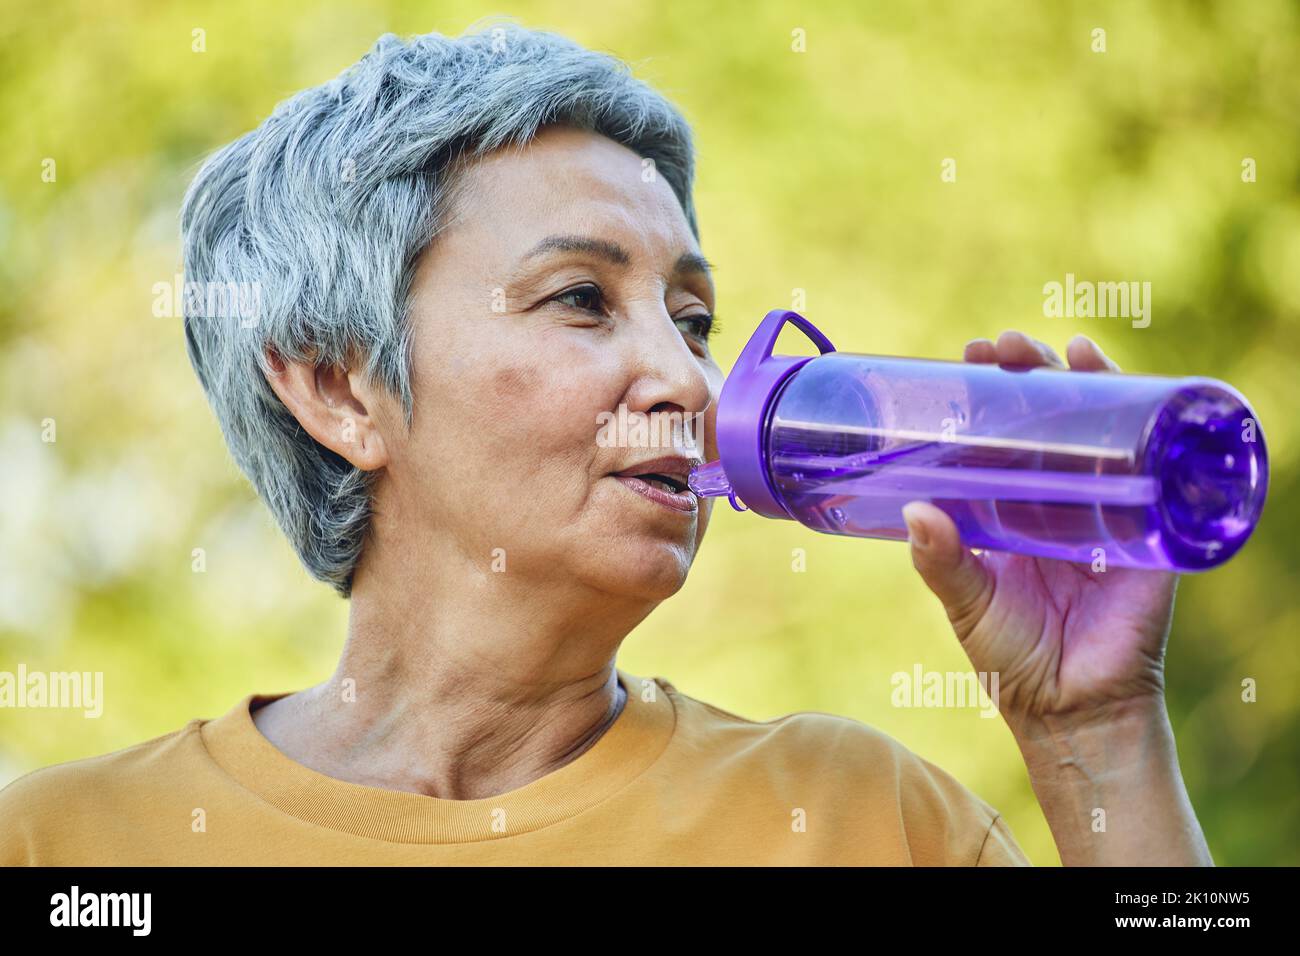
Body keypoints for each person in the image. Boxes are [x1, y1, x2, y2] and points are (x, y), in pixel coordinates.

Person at [0, 23, 1211, 866]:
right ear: (337, 387)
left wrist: (1093, 734)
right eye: (581, 298)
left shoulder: (858, 820)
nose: (687, 375)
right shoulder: (73, 847)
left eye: (694, 318)